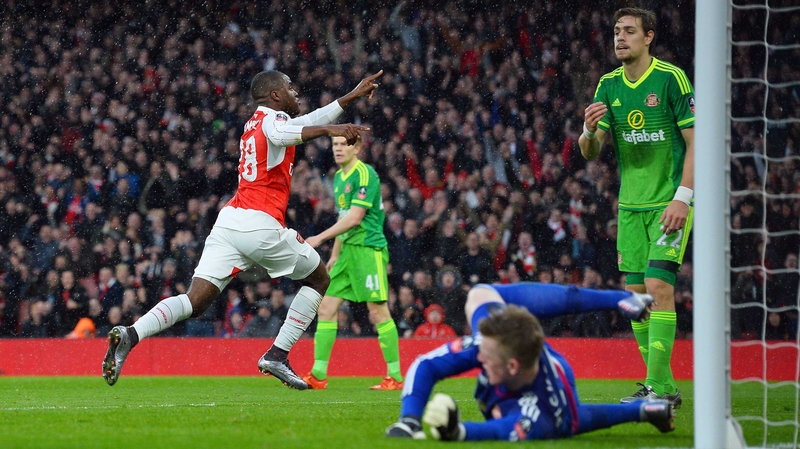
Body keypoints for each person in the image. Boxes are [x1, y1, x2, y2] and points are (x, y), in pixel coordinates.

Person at [102, 69, 383, 390]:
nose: (296, 93)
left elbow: (304, 121)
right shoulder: (273, 120)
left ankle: (131, 334)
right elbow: (284, 135)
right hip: (259, 223)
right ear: (275, 95)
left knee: (196, 301)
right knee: (319, 279)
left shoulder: (256, 121)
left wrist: (349, 98)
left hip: (229, 223)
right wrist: (331, 129)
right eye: (290, 88)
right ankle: (277, 354)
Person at [578, 7, 694, 407]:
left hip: (668, 201)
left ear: (649, 37)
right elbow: (590, 153)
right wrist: (588, 130)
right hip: (630, 206)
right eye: (616, 32)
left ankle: (656, 389)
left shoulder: (670, 79)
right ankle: (664, 388)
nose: (620, 38)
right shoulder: (608, 85)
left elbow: (696, 142)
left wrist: (684, 196)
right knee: (637, 297)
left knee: (660, 287)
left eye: (629, 31)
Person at [385, 282, 674, 441]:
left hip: (555, 403)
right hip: (521, 359)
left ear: (511, 366)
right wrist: (409, 420)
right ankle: (620, 299)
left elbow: (501, 430)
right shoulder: (489, 343)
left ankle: (645, 411)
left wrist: (457, 432)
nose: (477, 357)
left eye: (484, 357)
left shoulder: (545, 409)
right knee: (479, 293)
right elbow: (425, 364)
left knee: (574, 423)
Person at [301, 135, 403, 391]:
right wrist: (334, 255)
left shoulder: (365, 174)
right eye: (334, 145)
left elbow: (356, 218)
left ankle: (395, 377)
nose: (337, 149)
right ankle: (318, 375)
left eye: (342, 144)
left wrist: (320, 238)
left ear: (356, 148)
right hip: (346, 252)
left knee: (377, 311)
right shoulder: (338, 179)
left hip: (369, 249)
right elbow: (344, 218)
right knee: (325, 307)